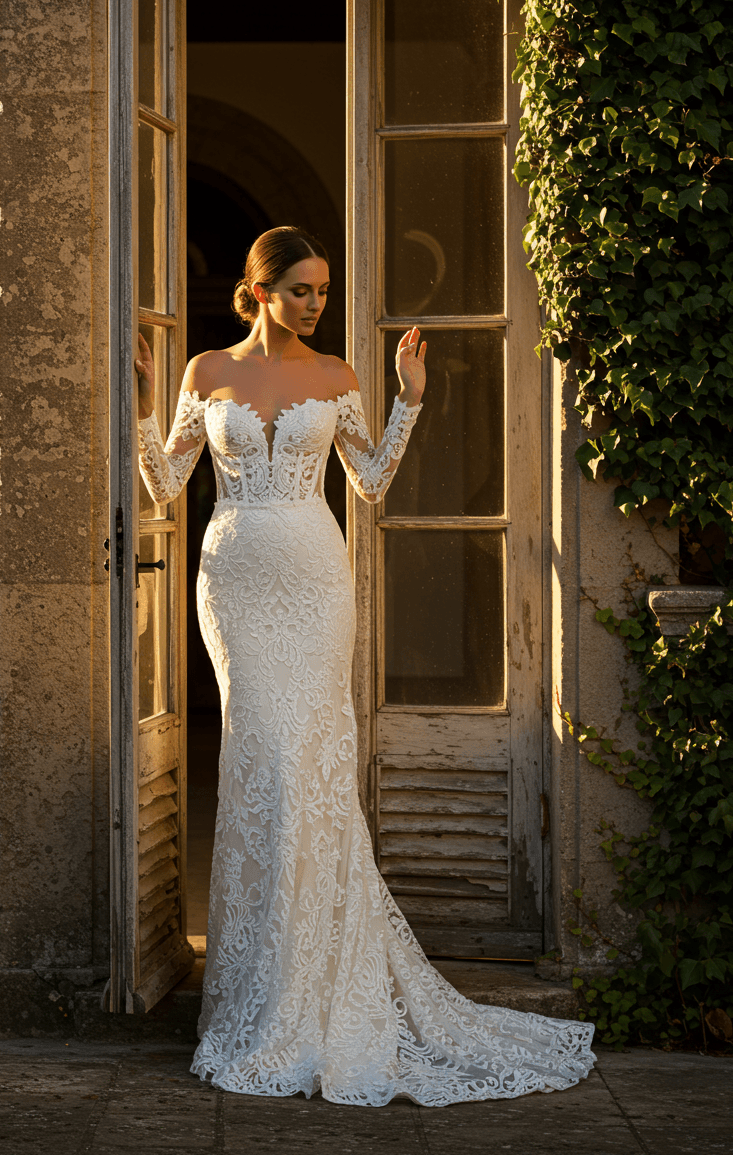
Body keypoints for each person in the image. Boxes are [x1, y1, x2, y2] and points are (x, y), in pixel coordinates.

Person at [135, 226, 595, 1107]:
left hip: (313, 575)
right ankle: (260, 991)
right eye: (302, 289)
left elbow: (373, 482)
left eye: (322, 290)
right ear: (259, 290)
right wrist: (147, 407)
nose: (316, 303)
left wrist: (407, 400)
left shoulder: (339, 377)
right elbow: (163, 486)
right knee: (260, 761)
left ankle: (317, 982)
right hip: (233, 577)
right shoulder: (204, 371)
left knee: (308, 765)